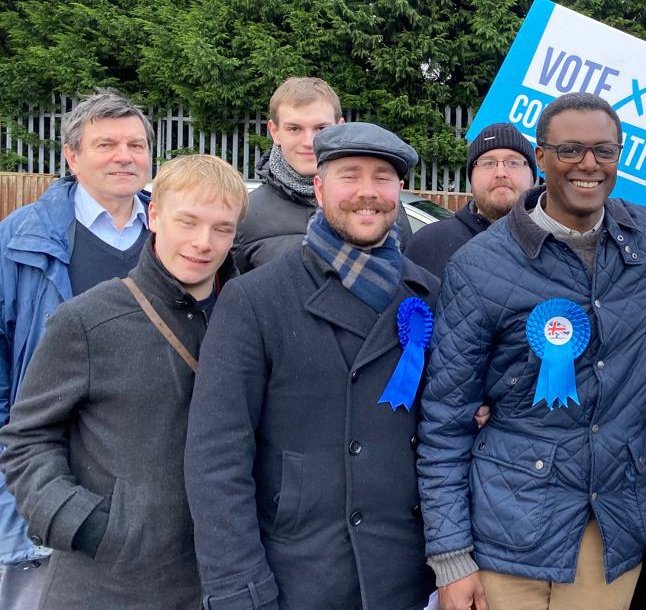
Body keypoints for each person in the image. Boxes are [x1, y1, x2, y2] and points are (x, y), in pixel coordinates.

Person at [417, 92, 646, 610]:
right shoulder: (479, 266)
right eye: (571, 150)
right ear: (541, 158)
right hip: (507, 529)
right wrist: (451, 557)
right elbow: (446, 418)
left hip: (610, 528)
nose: (589, 164)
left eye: (604, 150)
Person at [184, 122, 436, 609]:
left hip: (404, 577)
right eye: (349, 176)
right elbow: (216, 458)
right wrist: (240, 590)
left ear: (399, 191)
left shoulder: (428, 294)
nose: (368, 193)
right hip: (299, 576)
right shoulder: (256, 299)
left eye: (382, 177)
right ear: (318, 189)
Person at [0, 154, 246, 609]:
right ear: (153, 215)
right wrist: (84, 523)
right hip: (109, 584)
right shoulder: (88, 320)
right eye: (187, 222)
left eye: (221, 229)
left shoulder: (250, 318)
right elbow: (27, 438)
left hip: (220, 581)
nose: (202, 243)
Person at [0, 89, 154, 607]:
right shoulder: (19, 242)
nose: (124, 156)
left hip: (152, 486)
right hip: (49, 482)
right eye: (106, 144)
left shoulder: (172, 236)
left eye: (136, 144)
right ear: (72, 156)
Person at [233, 77, 412, 271]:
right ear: (274, 131)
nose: (310, 142)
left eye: (321, 128)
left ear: (340, 127)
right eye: (294, 129)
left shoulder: (384, 208)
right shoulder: (245, 216)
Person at [405, 122, 537, 277]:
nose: (501, 172)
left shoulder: (558, 243)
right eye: (488, 163)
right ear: (471, 177)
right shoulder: (428, 245)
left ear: (533, 176)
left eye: (513, 162)